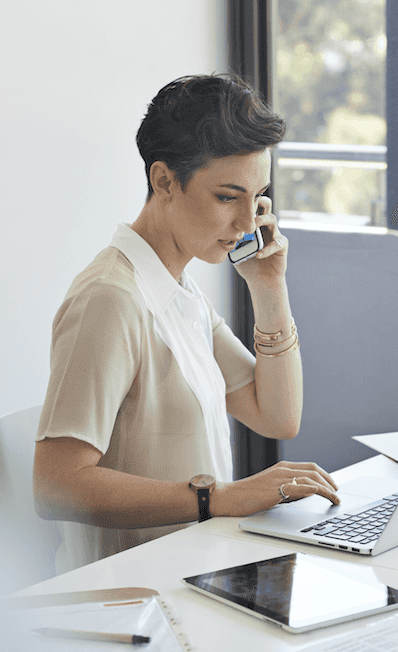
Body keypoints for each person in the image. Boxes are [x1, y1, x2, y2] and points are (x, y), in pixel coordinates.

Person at [32, 73, 340, 573]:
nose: (247, 224)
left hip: (197, 573)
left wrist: (268, 286)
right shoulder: (110, 300)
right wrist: (214, 498)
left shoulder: (180, 291)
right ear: (164, 180)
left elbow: (276, 415)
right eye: (226, 197)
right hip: (136, 598)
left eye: (257, 197)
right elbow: (55, 485)